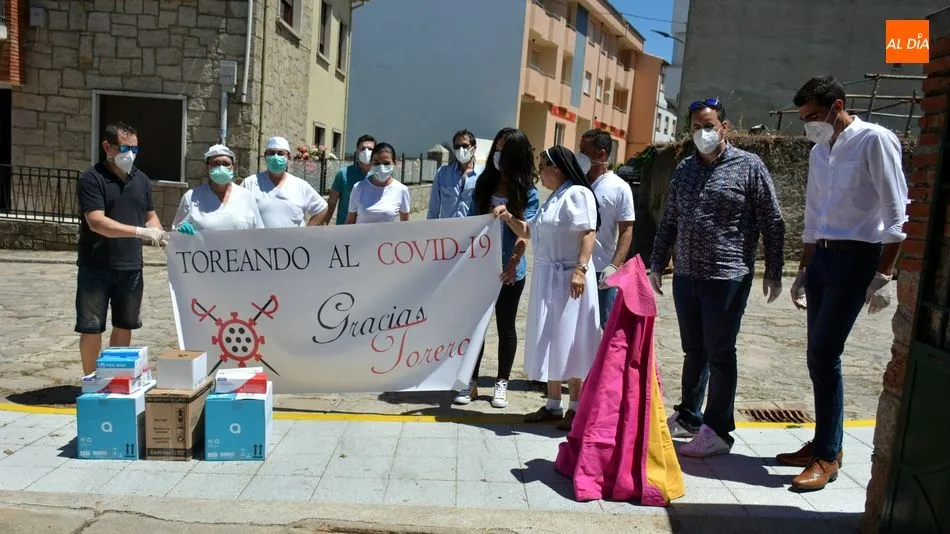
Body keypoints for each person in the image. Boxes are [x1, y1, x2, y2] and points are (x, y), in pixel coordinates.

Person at [777, 76, 907, 491]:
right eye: (804, 119)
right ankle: (823, 441)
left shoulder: (874, 140)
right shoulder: (820, 152)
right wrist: (804, 268)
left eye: (814, 116)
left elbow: (896, 209)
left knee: (824, 353)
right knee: (816, 357)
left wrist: (885, 274)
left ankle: (829, 455)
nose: (809, 125)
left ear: (838, 106)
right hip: (824, 257)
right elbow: (814, 213)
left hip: (857, 257)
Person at [650, 98, 786, 458]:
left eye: (708, 126)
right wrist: (657, 263)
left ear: (724, 127)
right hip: (686, 276)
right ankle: (690, 416)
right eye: (696, 127)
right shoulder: (684, 169)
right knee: (694, 351)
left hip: (726, 276)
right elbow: (670, 220)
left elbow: (772, 221)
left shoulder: (749, 166)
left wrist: (773, 270)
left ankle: (719, 432)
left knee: (720, 354)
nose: (702, 133)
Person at [493, 145, 601, 432]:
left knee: (571, 338)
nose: (539, 171)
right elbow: (529, 231)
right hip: (548, 278)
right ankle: (553, 404)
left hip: (569, 278)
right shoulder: (553, 198)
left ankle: (575, 407)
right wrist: (508, 218)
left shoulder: (578, 193)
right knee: (551, 338)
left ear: (558, 168)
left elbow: (589, 231)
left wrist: (580, 269)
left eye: (543, 166)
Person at [454, 128, 539, 408]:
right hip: (480, 269)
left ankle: (501, 382)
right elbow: (471, 223)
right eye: (497, 149)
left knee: (506, 326)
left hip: (510, 271)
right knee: (476, 326)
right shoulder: (484, 184)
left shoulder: (528, 191)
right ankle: (471, 381)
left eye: (505, 151)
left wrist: (513, 257)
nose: (499, 155)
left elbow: (526, 232)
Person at [75, 122, 167, 375]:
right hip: (96, 266)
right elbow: (96, 222)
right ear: (108, 147)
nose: (131, 154)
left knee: (124, 325)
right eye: (125, 148)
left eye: (135, 149)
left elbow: (150, 216)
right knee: (91, 327)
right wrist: (139, 232)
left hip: (131, 267)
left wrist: (160, 234)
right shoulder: (92, 178)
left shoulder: (142, 180)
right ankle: (91, 380)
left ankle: (114, 378)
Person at [578, 129, 636, 327]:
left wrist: (614, 266)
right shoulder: (577, 183)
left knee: (606, 325)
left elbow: (626, 230)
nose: (579, 155)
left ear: (601, 154)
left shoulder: (619, 188)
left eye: (584, 151)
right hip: (576, 268)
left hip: (601, 270)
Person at [172, 144, 263, 234]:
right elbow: (175, 233)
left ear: (233, 167)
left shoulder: (247, 196)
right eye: (216, 164)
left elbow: (259, 233)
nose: (221, 168)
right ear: (207, 167)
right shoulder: (191, 197)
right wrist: (180, 231)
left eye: (226, 164)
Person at [241, 136, 328, 228]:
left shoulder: (300, 186)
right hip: (260, 238)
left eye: (280, 153)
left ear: (288, 157)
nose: (275, 157)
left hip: (293, 238)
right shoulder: (250, 183)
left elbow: (322, 208)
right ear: (265, 156)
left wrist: (307, 233)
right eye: (271, 153)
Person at [346, 142, 411, 224]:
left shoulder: (402, 190)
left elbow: (405, 224)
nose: (381, 167)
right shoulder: (359, 187)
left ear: (394, 163)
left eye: (386, 163)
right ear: (371, 163)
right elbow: (350, 221)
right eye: (377, 163)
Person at [427, 129, 481, 219]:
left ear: (474, 148)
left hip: (473, 227)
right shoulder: (442, 173)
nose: (461, 149)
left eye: (465, 146)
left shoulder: (482, 175)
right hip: (447, 227)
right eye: (457, 146)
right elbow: (433, 209)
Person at [326, 135, 375, 226]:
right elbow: (332, 203)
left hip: (369, 229)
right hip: (345, 228)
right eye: (363, 148)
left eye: (370, 149)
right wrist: (324, 225)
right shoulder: (343, 173)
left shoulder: (378, 175)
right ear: (357, 151)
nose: (366, 151)